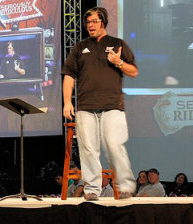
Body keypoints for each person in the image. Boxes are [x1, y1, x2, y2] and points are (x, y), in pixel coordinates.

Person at [62, 6, 138, 200]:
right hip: (85, 106)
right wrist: (66, 103)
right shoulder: (80, 47)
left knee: (114, 144)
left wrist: (118, 62)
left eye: (94, 21)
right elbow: (69, 75)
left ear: (103, 21)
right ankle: (92, 190)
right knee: (88, 149)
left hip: (112, 105)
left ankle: (126, 186)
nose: (90, 25)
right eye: (88, 22)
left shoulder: (117, 43)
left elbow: (133, 71)